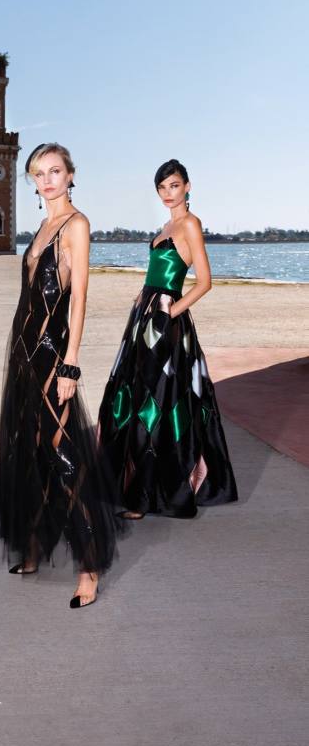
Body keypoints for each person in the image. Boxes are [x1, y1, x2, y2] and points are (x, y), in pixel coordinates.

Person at [0, 143, 118, 608]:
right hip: (24, 351)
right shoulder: (43, 226)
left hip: (52, 354)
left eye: (55, 171)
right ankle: (36, 544)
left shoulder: (75, 224)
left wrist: (70, 363)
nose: (47, 180)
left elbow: (79, 298)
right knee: (29, 449)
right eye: (39, 173)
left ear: (71, 175)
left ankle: (89, 564)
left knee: (63, 452)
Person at [98, 158, 238, 519]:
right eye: (161, 187)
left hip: (164, 322)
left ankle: (145, 498)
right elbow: (157, 272)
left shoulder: (190, 224)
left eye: (173, 185)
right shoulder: (165, 225)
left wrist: (169, 311)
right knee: (132, 398)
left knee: (156, 404)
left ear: (187, 186)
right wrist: (141, 299)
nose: (167, 193)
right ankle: (136, 491)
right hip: (143, 317)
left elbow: (204, 281)